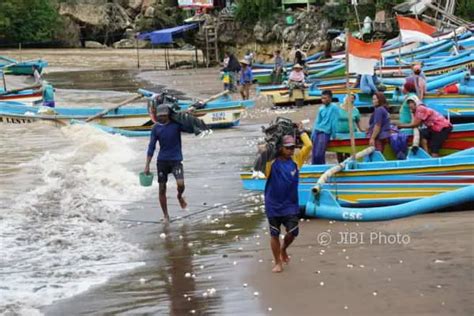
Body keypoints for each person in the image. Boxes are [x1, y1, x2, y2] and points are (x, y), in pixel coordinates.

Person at [264, 131, 312, 273]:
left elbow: (308, 145)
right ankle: (278, 262)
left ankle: (283, 249)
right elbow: (265, 152)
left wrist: (302, 131)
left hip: (290, 204)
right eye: (288, 148)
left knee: (293, 232)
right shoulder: (270, 163)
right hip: (273, 204)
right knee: (274, 234)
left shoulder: (296, 159)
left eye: (293, 147)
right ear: (280, 148)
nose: (291, 150)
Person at [144, 104, 188, 223]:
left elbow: (189, 126)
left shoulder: (176, 125)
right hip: (162, 161)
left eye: (163, 116)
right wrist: (147, 165)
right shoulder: (155, 128)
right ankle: (166, 215)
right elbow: (151, 147)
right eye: (159, 116)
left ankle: (179, 196)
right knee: (162, 188)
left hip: (176, 160)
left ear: (168, 115)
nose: (161, 118)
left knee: (181, 184)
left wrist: (189, 116)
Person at [311, 90, 339, 164]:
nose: (323, 100)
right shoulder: (321, 108)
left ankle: (321, 168)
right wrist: (313, 134)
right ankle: (315, 169)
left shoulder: (334, 108)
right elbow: (317, 121)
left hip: (325, 132)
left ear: (330, 98)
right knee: (314, 154)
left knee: (319, 154)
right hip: (317, 131)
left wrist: (334, 135)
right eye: (322, 98)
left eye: (325, 98)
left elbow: (334, 123)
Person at [336, 94, 362, 161]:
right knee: (339, 151)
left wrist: (361, 130)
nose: (351, 99)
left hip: (351, 134)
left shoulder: (355, 110)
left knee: (348, 151)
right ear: (346, 98)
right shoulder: (338, 108)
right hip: (339, 134)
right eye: (349, 97)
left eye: (353, 98)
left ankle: (347, 165)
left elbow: (358, 121)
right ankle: (340, 165)